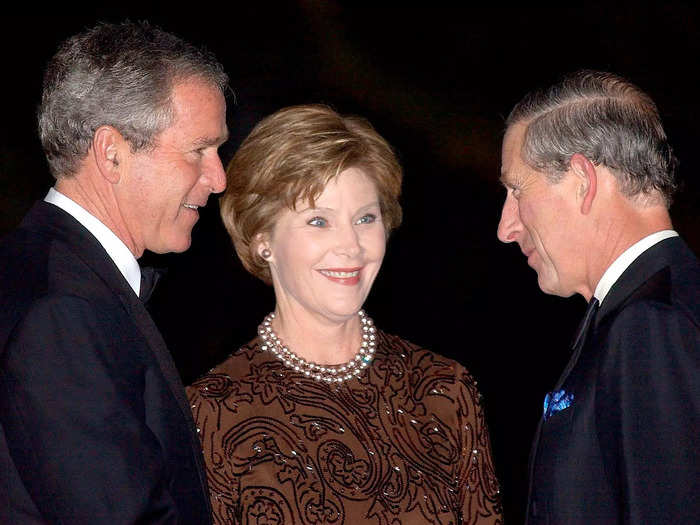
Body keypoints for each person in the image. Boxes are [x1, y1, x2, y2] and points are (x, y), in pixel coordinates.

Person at [187, 104, 502, 524]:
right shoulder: (213, 410)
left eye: (365, 218)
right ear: (263, 238)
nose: (352, 246)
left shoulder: (444, 389)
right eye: (319, 221)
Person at [0, 21, 229, 523]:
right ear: (112, 154)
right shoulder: (63, 311)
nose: (218, 179)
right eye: (200, 150)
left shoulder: (46, 273)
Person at [497, 70, 699, 524]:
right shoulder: (643, 313)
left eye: (515, 190)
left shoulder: (653, 324)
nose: (505, 228)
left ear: (582, 180)